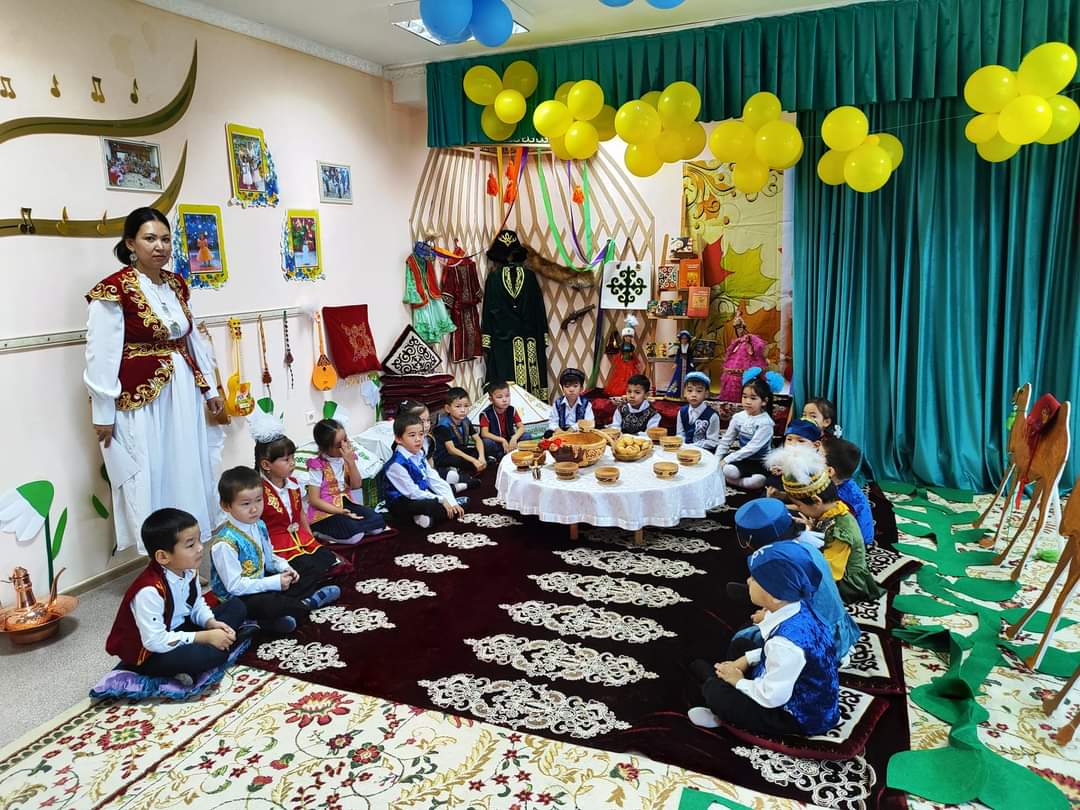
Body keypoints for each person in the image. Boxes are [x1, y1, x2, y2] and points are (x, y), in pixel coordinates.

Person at [85, 207, 225, 554]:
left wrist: (209, 388)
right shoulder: (113, 290)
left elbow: (192, 340)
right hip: (142, 397)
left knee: (186, 465)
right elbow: (101, 354)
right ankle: (159, 554)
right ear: (130, 243)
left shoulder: (176, 284)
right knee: (150, 469)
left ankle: (187, 549)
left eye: (165, 239)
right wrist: (103, 412)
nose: (159, 246)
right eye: (150, 238)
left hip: (183, 391)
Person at [688, 541, 840, 737]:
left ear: (776, 596)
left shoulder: (785, 644)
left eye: (755, 579)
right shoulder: (800, 605)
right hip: (794, 686)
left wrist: (738, 682)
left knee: (717, 694)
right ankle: (722, 678)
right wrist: (746, 660)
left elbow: (771, 696)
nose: (748, 581)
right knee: (742, 646)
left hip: (795, 715)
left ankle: (715, 690)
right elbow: (780, 655)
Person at [105, 508, 248, 683]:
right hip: (152, 651)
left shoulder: (188, 570)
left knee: (237, 606)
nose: (200, 548)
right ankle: (224, 645)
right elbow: (155, 641)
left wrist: (211, 623)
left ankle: (220, 644)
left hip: (181, 629)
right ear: (163, 556)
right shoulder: (149, 591)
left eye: (199, 540)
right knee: (212, 655)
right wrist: (205, 637)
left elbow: (197, 604)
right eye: (190, 545)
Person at [728, 499, 861, 663]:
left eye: (754, 579)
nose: (750, 580)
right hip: (829, 617)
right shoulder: (805, 546)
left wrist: (767, 617)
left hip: (819, 635)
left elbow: (797, 609)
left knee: (740, 640)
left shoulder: (779, 563)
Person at [211, 467, 341, 634]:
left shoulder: (259, 524)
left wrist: (285, 568)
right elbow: (234, 587)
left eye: (259, 500)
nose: (254, 509)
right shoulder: (224, 543)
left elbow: (269, 556)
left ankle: (278, 616)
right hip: (239, 598)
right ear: (226, 506)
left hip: (261, 582)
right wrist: (273, 583)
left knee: (309, 568)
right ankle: (306, 605)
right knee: (264, 603)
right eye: (246, 504)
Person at [767, 445, 883, 603]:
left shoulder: (841, 532)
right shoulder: (831, 509)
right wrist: (811, 527)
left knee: (788, 575)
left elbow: (829, 573)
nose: (798, 507)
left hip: (844, 583)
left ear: (816, 501)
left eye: (799, 505)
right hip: (828, 556)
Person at [252, 412, 346, 579]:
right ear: (266, 464)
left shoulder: (294, 483)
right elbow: (255, 527)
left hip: (299, 538)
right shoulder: (258, 492)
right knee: (307, 569)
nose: (293, 463)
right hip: (276, 545)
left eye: (293, 457)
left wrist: (311, 539)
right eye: (286, 460)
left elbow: (301, 514)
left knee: (331, 562)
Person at [306, 418, 387, 543]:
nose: (345, 445)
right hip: (326, 511)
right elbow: (314, 500)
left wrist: (351, 463)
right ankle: (319, 532)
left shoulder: (347, 458)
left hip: (346, 504)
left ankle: (355, 527)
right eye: (339, 445)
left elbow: (356, 485)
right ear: (325, 448)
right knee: (355, 535)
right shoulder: (317, 465)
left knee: (378, 523)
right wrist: (339, 512)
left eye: (346, 439)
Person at [385, 412, 466, 529]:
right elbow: (412, 493)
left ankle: (428, 516)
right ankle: (422, 516)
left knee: (448, 500)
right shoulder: (396, 465)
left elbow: (434, 479)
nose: (418, 439)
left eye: (421, 434)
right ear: (398, 439)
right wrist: (441, 500)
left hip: (421, 493)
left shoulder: (419, 453)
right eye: (412, 435)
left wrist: (451, 502)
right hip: (402, 502)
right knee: (432, 505)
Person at [716, 376, 776, 491]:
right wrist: (717, 460)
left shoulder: (766, 423)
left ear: (764, 401)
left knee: (757, 481)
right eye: (744, 397)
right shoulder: (738, 417)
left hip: (760, 462)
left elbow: (752, 448)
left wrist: (727, 460)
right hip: (743, 459)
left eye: (753, 398)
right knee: (729, 470)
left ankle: (731, 481)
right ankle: (734, 480)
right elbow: (726, 440)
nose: (747, 401)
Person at [824, 437, 875, 545]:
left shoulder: (846, 501)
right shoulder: (838, 482)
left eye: (816, 458)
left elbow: (862, 538)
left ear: (830, 471)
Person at [432, 387, 487, 488]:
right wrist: (473, 460)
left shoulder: (465, 420)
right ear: (448, 409)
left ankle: (462, 471)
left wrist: (481, 457)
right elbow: (451, 450)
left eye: (466, 406)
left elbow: (478, 439)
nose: (463, 410)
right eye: (458, 406)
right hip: (445, 456)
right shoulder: (443, 425)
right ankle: (458, 475)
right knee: (463, 460)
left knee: (482, 450)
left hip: (460, 450)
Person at [765, 419, 824, 496]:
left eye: (801, 441)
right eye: (789, 439)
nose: (792, 444)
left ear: (816, 445)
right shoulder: (782, 458)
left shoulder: (817, 466)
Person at [719, 316, 768, 402]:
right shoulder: (736, 343)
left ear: (743, 327)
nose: (739, 330)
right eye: (736, 328)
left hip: (744, 377)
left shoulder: (751, 340)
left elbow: (759, 349)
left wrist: (750, 339)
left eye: (739, 327)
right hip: (730, 377)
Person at [479, 381, 525, 461]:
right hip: (496, 443)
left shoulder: (512, 410)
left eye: (507, 396)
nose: (504, 400)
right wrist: (502, 440)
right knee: (487, 442)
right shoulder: (486, 413)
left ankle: (517, 455)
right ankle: (495, 458)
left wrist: (514, 438)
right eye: (499, 397)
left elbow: (522, 427)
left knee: (526, 436)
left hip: (510, 442)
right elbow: (484, 433)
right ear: (491, 399)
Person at [677, 372, 721, 451]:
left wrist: (691, 446)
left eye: (699, 391)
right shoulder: (682, 411)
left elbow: (713, 442)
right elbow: (680, 434)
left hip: (703, 452)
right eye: (690, 390)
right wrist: (682, 445)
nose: (693, 394)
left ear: (706, 394)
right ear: (685, 393)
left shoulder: (712, 416)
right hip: (684, 450)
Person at [548, 368, 594, 433]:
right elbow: (552, 422)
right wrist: (558, 430)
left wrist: (573, 428)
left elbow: (589, 422)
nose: (571, 389)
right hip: (561, 433)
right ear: (562, 389)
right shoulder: (557, 404)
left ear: (581, 388)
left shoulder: (586, 404)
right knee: (548, 433)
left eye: (575, 386)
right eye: (567, 386)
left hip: (580, 433)